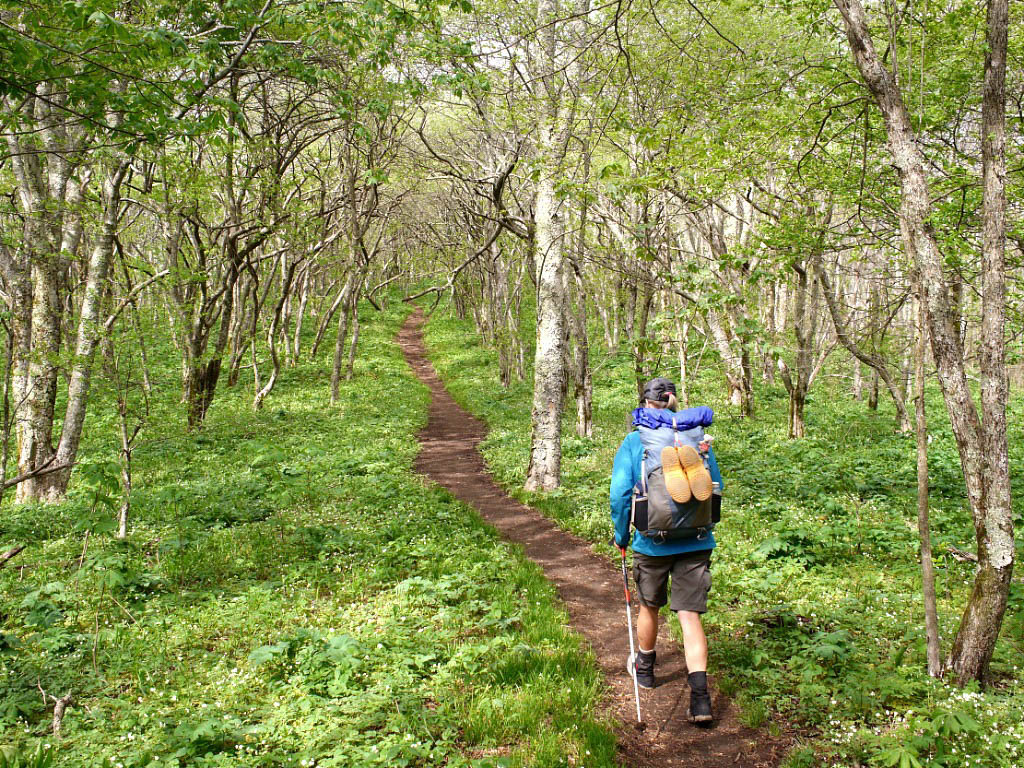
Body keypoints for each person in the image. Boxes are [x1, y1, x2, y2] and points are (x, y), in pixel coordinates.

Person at [609, 376, 723, 724]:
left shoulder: (635, 440)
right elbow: (714, 485)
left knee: (649, 607)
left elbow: (620, 494)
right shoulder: (697, 439)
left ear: (644, 403)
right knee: (690, 617)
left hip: (652, 541)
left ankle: (645, 669)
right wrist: (706, 529)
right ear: (673, 402)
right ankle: (701, 700)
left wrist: (621, 535)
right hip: (697, 538)